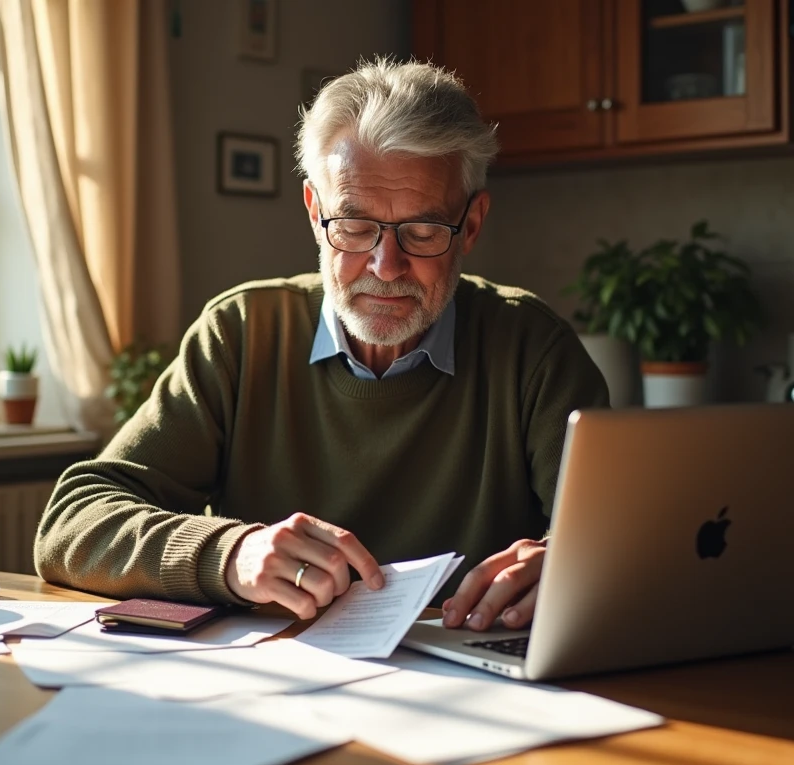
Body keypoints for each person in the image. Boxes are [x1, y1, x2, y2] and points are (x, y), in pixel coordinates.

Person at [35, 57, 608, 633]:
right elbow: (72, 522)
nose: (386, 267)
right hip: (276, 683)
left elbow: (621, 540)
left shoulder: (535, 350)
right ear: (315, 212)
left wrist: (567, 560)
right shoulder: (241, 333)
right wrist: (232, 554)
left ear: (473, 225)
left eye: (424, 231)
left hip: (471, 688)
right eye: (354, 227)